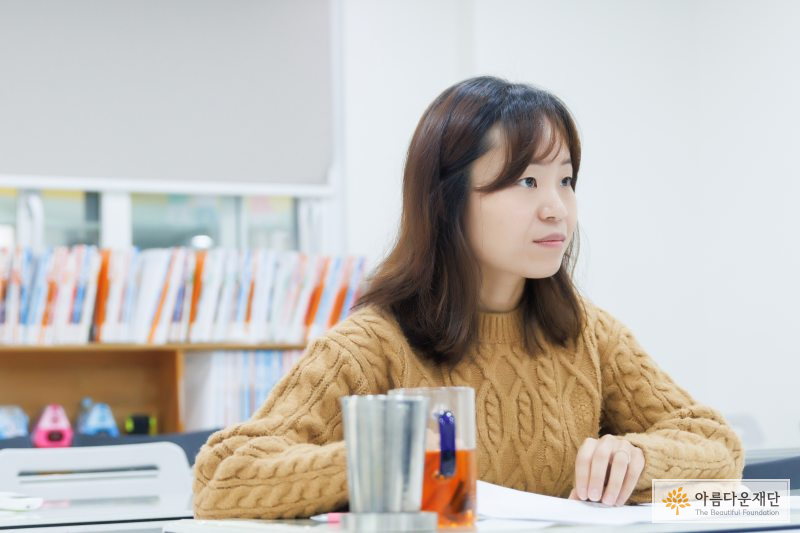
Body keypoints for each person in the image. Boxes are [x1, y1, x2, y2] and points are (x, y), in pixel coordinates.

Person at [192, 76, 743, 519]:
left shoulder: (589, 333)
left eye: (566, 180)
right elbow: (221, 477)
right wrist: (384, 460)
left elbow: (719, 448)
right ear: (449, 200)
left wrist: (639, 458)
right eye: (527, 182)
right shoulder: (371, 345)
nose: (556, 208)